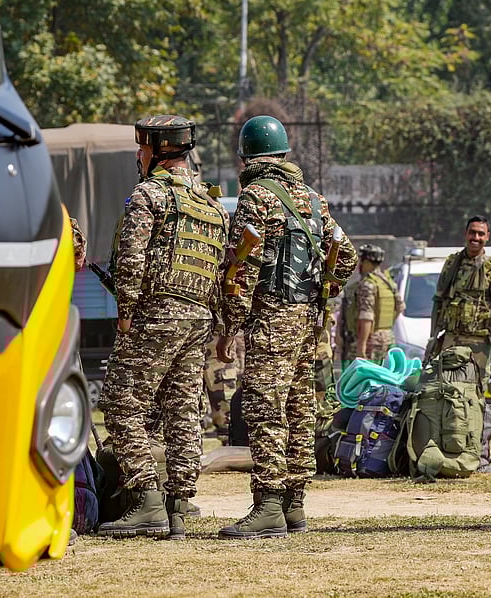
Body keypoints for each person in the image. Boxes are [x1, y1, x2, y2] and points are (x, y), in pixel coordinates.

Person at [218, 115, 357, 539]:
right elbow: (345, 254)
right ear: (283, 155)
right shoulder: (313, 200)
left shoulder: (255, 196)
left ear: (246, 158)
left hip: (272, 317)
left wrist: (231, 325)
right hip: (307, 321)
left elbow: (242, 265)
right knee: (299, 409)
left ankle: (269, 505)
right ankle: (295, 504)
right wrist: (325, 291)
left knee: (263, 407)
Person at [97, 115, 230, 540]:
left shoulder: (148, 194)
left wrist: (127, 310)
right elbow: (224, 268)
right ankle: (179, 502)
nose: (139, 156)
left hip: (156, 313)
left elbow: (133, 257)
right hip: (198, 318)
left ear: (157, 150)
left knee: (120, 403)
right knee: (182, 410)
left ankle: (147, 500)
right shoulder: (211, 204)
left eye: (142, 148)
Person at [430, 215, 491, 464]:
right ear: (465, 233)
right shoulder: (452, 264)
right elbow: (438, 301)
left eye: (481, 234)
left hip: (479, 344)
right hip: (452, 339)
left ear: (487, 237)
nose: (476, 238)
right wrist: (433, 338)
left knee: (476, 396)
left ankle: (477, 451)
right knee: (446, 391)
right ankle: (447, 446)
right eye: (472, 232)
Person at [348, 244, 404, 365]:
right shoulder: (388, 282)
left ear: (366, 261)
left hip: (371, 341)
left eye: (361, 260)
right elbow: (400, 307)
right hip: (388, 338)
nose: (360, 265)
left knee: (368, 379)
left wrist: (361, 346)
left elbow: (366, 317)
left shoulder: (367, 284)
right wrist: (384, 327)